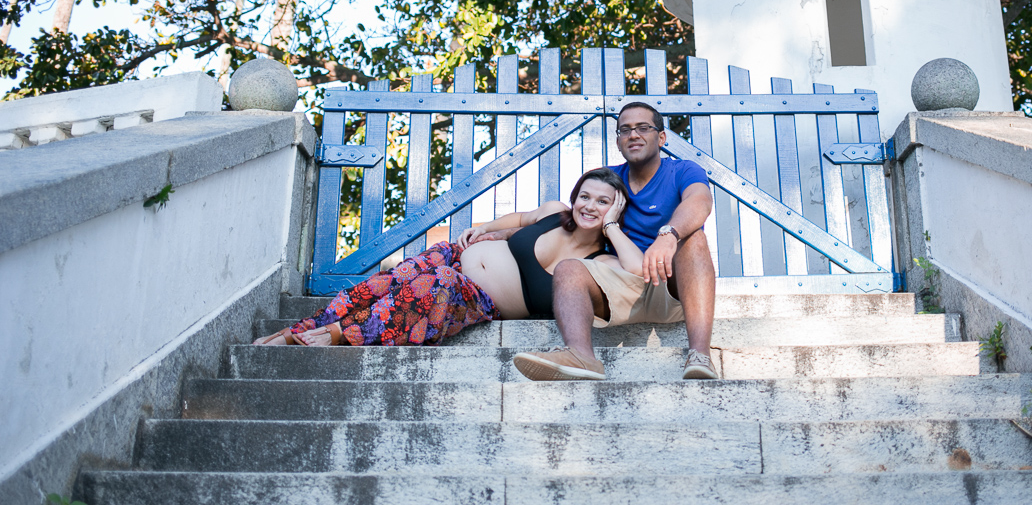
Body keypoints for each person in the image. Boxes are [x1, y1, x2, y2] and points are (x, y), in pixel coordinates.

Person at [253, 168, 644, 347]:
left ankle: (337, 336)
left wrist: (612, 228)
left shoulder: (600, 263)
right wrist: (486, 228)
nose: (589, 205)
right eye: (585, 196)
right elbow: (518, 218)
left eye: (603, 202)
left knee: (433, 286)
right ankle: (297, 331)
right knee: (384, 283)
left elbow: (638, 272)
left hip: (475, 298)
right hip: (455, 256)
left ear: (615, 209)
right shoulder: (553, 213)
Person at [511, 101, 718, 381]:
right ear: (618, 142)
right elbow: (571, 217)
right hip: (622, 284)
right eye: (625, 130)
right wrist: (501, 233)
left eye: (643, 128)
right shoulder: (608, 179)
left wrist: (669, 234)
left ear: (661, 137)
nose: (633, 134)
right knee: (569, 269)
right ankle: (581, 357)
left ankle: (700, 355)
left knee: (695, 240)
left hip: (673, 286)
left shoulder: (683, 171)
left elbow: (700, 201)